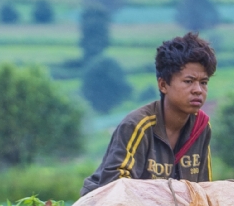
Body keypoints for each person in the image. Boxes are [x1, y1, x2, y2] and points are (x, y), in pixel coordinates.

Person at [81, 32, 215, 195]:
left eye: (204, 83)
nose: (198, 90)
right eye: (188, 81)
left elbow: (204, 189)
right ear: (163, 85)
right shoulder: (138, 125)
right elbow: (114, 188)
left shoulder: (201, 127)